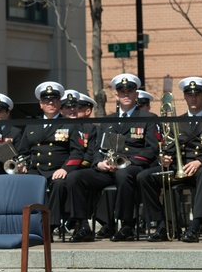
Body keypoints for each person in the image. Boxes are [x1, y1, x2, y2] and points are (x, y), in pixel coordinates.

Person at [66, 74, 158, 243]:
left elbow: (152, 149)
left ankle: (127, 225)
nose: (126, 95)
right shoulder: (108, 121)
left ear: (136, 95)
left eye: (130, 91)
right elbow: (97, 149)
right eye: (122, 91)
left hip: (132, 167)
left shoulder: (148, 118)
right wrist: (99, 163)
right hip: (108, 168)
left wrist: (129, 162)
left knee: (124, 174)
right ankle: (82, 225)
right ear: (116, 95)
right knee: (75, 177)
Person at [137, 77, 202, 242]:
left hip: (201, 168)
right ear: (184, 97)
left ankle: (196, 226)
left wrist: (200, 162)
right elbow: (168, 149)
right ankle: (163, 224)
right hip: (180, 168)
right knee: (145, 176)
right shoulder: (176, 122)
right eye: (189, 95)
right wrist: (164, 159)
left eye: (197, 95)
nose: (193, 98)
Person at [13, 81, 86, 230]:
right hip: (36, 169)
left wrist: (66, 169)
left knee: (59, 184)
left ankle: (50, 225)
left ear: (60, 103)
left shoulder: (70, 124)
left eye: (54, 100)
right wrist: (22, 165)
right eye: (46, 100)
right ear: (41, 104)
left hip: (58, 170)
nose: (50, 103)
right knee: (20, 181)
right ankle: (24, 224)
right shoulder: (32, 125)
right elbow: (23, 151)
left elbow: (77, 151)